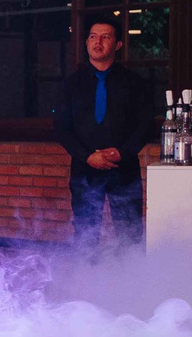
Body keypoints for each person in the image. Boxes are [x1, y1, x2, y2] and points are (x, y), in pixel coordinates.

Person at [51, 13, 157, 245]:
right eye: (93, 37)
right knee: (85, 233)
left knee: (130, 233)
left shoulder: (134, 83)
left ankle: (131, 279)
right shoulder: (71, 84)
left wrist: (123, 152)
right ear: (86, 42)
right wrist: (88, 156)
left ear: (118, 44)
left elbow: (144, 126)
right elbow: (62, 128)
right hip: (85, 167)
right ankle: (87, 279)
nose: (98, 42)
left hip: (124, 167)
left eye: (105, 37)